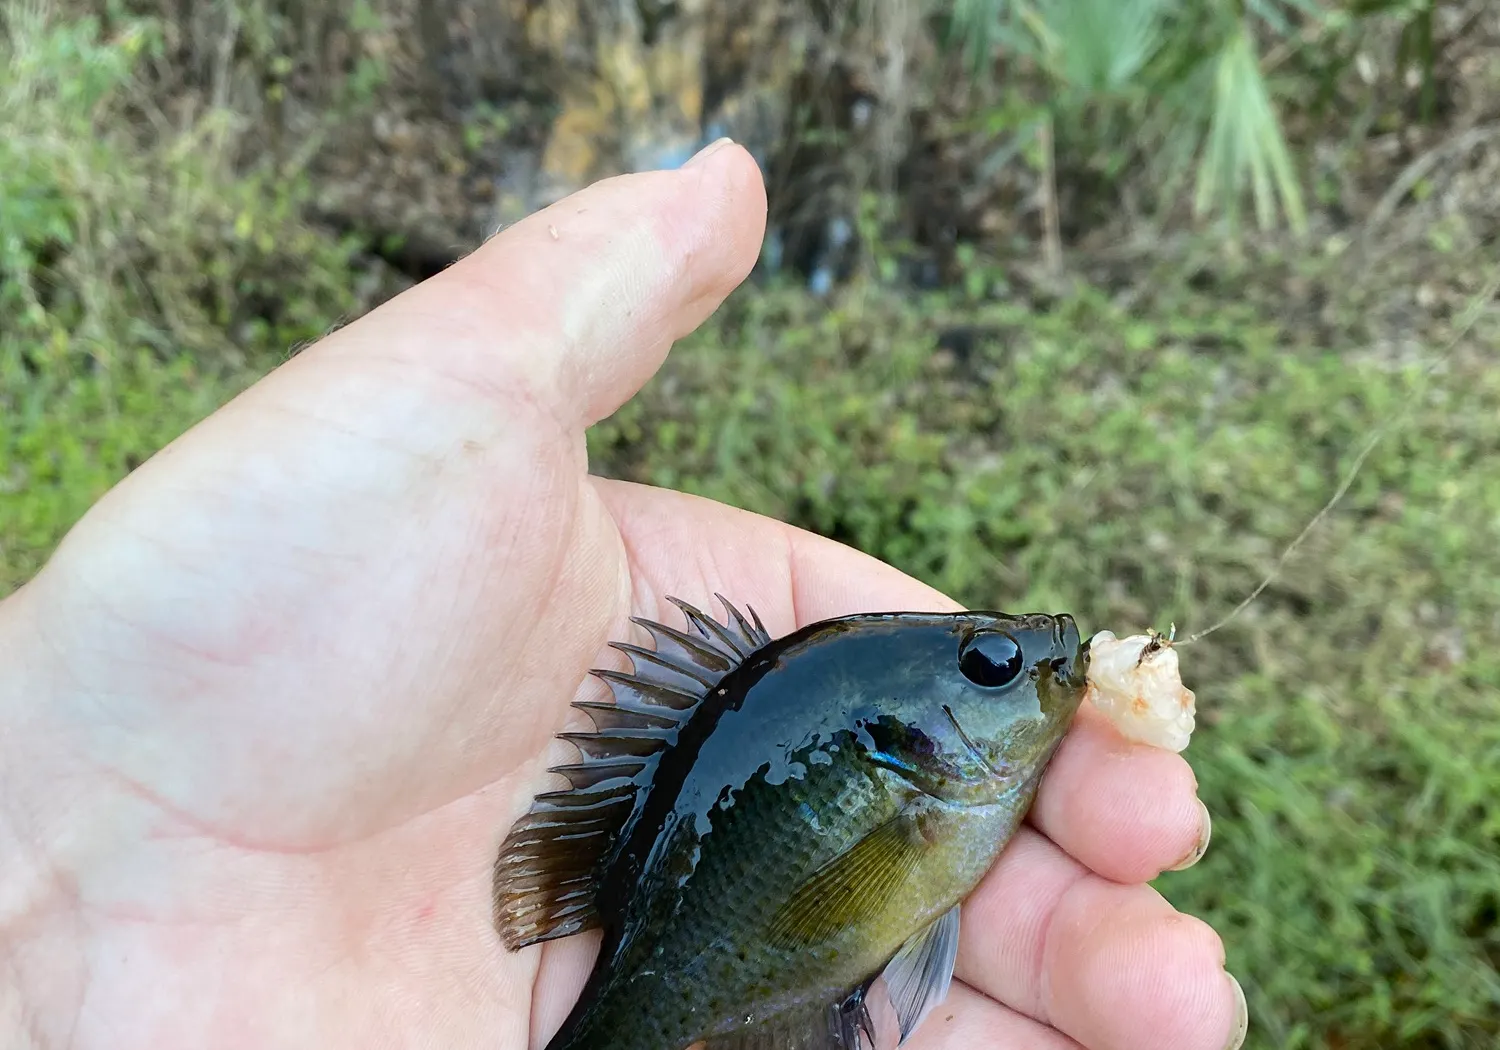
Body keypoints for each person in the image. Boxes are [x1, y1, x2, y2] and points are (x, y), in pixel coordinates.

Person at [0, 139, 1245, 1050]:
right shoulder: (904, 765)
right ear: (909, 737)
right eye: (988, 663)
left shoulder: (909, 748)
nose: (1035, 656)